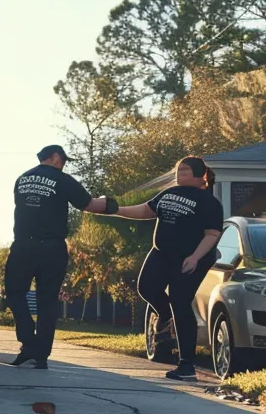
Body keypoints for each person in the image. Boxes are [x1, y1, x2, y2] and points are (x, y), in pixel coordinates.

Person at [88, 157, 224, 382]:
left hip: (191, 258)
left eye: (186, 170)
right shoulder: (168, 193)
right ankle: (164, 313)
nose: (180, 173)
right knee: (146, 288)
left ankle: (186, 365)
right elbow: (145, 211)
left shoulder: (209, 201)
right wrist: (115, 210)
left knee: (181, 302)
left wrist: (195, 257)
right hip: (161, 253)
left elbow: (212, 234)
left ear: (201, 176)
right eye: (179, 169)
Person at [5, 145, 112, 369]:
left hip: (23, 245)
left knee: (15, 294)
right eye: (63, 160)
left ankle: (28, 342)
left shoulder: (22, 178)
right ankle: (40, 354)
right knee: (47, 301)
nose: (63, 164)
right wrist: (110, 203)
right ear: (54, 158)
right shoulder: (62, 179)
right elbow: (90, 205)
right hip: (52, 248)